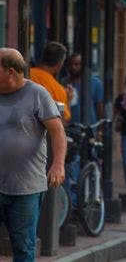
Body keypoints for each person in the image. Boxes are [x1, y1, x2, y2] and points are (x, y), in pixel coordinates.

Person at [0, 48, 66, 262]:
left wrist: (58, 164)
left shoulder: (37, 93)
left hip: (26, 187)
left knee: (23, 246)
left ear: (9, 71)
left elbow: (57, 131)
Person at [29, 42, 71, 123]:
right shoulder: (59, 90)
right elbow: (63, 121)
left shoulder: (27, 74)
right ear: (60, 63)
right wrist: (68, 100)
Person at [63, 53, 104, 124]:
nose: (73, 67)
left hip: (89, 128)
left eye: (76, 64)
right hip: (69, 128)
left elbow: (99, 108)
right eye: (70, 64)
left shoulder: (95, 83)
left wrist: (100, 130)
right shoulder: (63, 83)